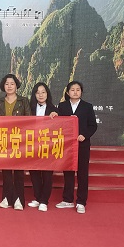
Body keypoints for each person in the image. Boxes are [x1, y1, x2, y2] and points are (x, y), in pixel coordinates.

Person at [56, 80, 98, 214]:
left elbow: (93, 125)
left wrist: (84, 135)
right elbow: (58, 124)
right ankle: (67, 199)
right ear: (68, 92)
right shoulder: (62, 106)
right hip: (67, 145)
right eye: (72, 90)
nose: (75, 92)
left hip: (82, 145)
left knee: (82, 173)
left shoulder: (87, 106)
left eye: (78, 89)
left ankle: (81, 201)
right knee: (68, 172)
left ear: (81, 92)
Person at [0, 74, 31, 211]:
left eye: (12, 83)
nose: (9, 86)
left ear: (16, 85)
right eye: (7, 84)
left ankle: (18, 199)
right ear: (3, 86)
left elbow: (29, 120)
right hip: (3, 138)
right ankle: (6, 197)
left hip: (19, 139)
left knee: (18, 171)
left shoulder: (24, 101)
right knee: (5, 170)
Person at [28, 82, 58, 212]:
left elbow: (60, 126)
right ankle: (38, 197)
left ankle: (44, 200)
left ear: (47, 94)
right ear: (34, 94)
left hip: (47, 145)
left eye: (43, 92)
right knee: (34, 172)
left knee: (47, 174)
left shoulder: (54, 109)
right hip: (32, 144)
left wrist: (56, 117)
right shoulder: (29, 108)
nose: (40, 95)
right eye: (38, 92)